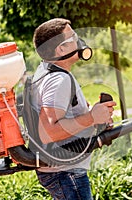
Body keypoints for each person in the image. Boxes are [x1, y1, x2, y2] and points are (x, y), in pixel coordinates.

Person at [32, 18, 116, 200]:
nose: (79, 41)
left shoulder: (45, 72)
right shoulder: (58, 80)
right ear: (61, 49)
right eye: (73, 37)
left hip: (60, 171)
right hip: (65, 174)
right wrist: (92, 118)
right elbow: (50, 131)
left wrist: (94, 116)